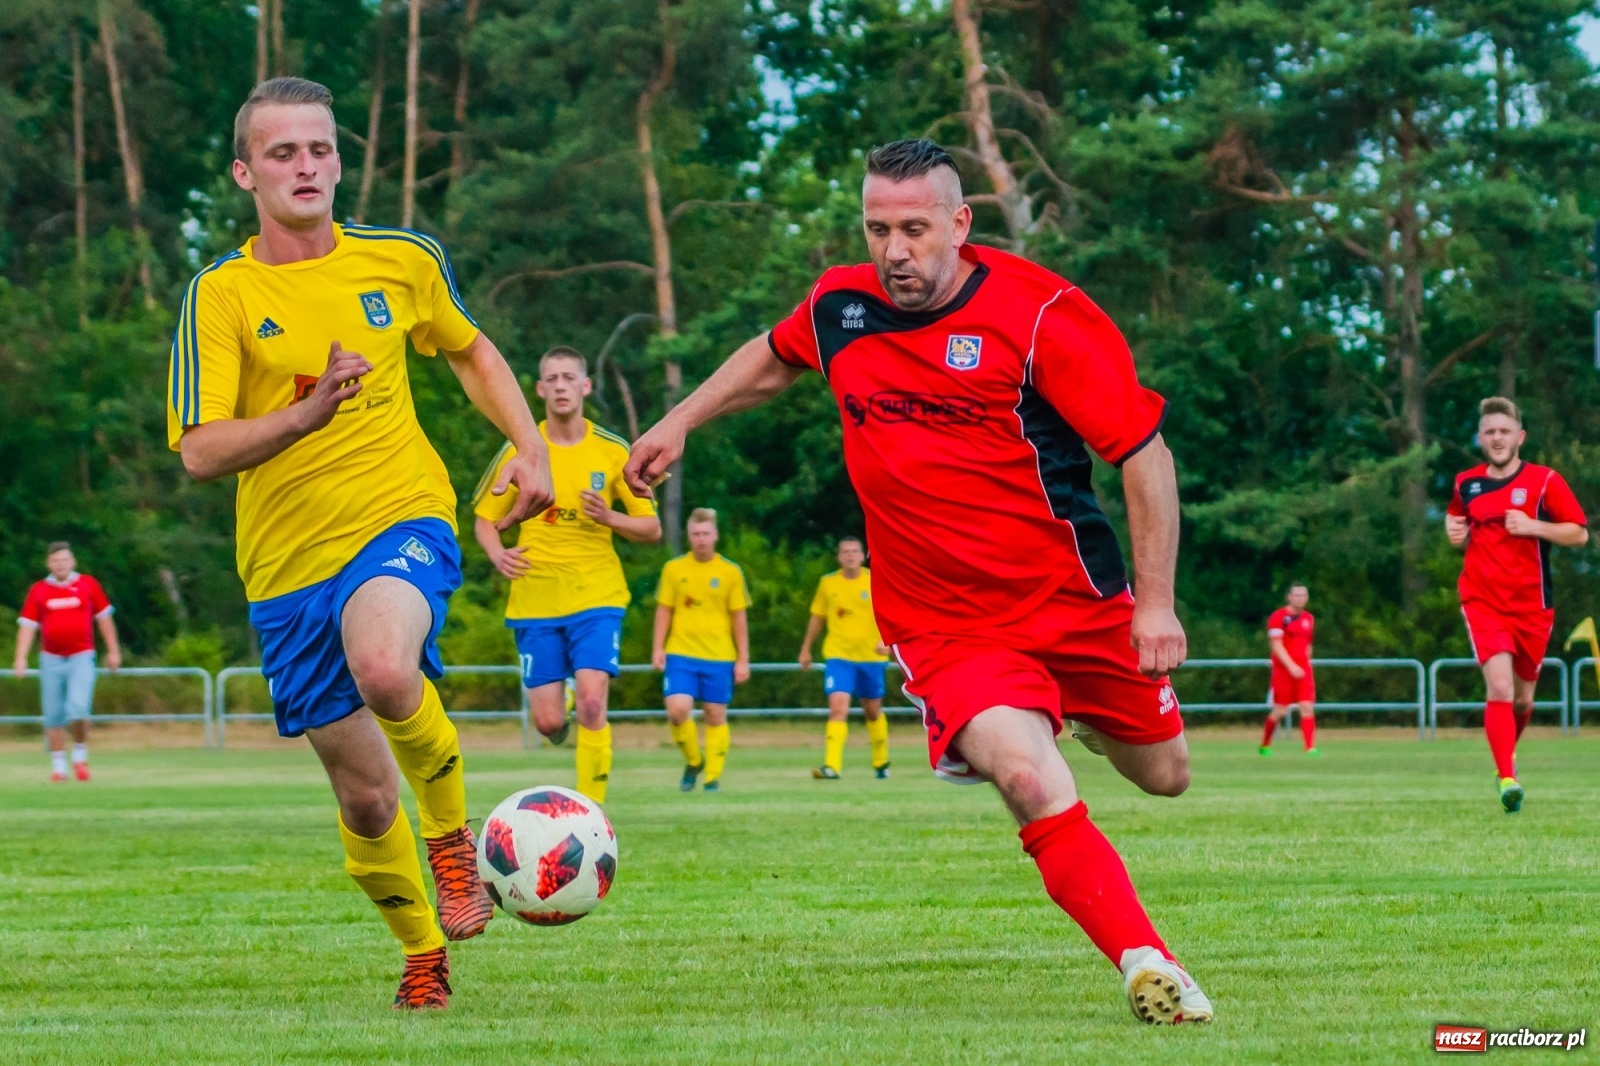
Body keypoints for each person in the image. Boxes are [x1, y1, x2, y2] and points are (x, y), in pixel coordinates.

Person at [625, 139, 1213, 1023]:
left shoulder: (1042, 312)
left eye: (913, 228)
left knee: (1166, 774)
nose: (893, 250)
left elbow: (1143, 454)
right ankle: (1146, 961)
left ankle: (1077, 710)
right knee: (1026, 778)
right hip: (945, 624)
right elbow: (775, 354)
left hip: (1072, 601)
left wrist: (1157, 603)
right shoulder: (842, 305)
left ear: (960, 223)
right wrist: (681, 420)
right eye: (876, 229)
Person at [166, 77, 554, 1010]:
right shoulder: (219, 295)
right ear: (244, 173)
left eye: (321, 149)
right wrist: (303, 415)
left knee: (385, 668)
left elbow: (467, 347)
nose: (307, 166)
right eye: (284, 153)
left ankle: (454, 841)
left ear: (340, 158)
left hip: (399, 515)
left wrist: (530, 443)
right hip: (285, 567)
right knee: (367, 801)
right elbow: (199, 451)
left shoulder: (402, 259)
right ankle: (423, 950)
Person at [473, 347, 661, 804]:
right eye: (551, 378)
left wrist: (610, 519)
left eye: (568, 377)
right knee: (549, 724)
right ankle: (568, 707)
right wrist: (498, 554)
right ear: (539, 390)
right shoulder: (523, 450)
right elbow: (484, 520)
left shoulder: (613, 451)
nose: (560, 385)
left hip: (596, 594)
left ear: (585, 386)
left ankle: (592, 809)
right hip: (535, 598)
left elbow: (651, 528)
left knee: (595, 702)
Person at [1446, 396, 1587, 814]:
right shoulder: (1466, 482)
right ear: (1480, 438)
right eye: (1489, 431)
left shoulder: (1545, 481)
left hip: (1532, 606)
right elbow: (1456, 519)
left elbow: (1578, 533)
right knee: (1501, 688)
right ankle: (1507, 776)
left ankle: (1504, 762)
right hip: (1482, 601)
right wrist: (1453, 531)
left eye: (1504, 431)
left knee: (1523, 701)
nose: (1497, 438)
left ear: (1520, 437)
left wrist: (1533, 526)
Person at [652, 508, 750, 792]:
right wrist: (658, 647)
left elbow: (738, 618)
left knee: (715, 714)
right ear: (689, 536)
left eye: (706, 533)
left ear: (715, 535)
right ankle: (694, 760)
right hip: (681, 653)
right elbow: (664, 611)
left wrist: (743, 658)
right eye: (696, 534)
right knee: (677, 710)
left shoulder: (730, 572)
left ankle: (712, 779)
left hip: (719, 655)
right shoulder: (674, 569)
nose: (701, 539)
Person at [13, 542, 122, 781]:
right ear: (48, 563)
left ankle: (80, 757)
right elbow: (28, 626)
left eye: (64, 560)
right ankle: (59, 766)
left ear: (72, 562)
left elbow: (104, 619)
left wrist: (113, 651)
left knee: (78, 707)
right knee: (53, 714)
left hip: (81, 655)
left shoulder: (87, 585)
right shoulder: (39, 590)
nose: (60, 564)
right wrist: (20, 657)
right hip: (51, 658)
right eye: (55, 560)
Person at [799, 536, 891, 779]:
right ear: (839, 557)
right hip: (839, 657)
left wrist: (889, 641)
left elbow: (893, 614)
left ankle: (881, 762)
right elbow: (817, 617)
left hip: (871, 657)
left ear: (863, 556)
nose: (850, 555)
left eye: (855, 551)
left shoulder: (875, 581)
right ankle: (832, 766)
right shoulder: (828, 584)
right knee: (838, 708)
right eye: (845, 551)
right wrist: (806, 647)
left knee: (872, 711)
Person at [1260, 583, 1317, 756]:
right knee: (1280, 710)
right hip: (1284, 670)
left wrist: (1306, 664)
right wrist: (1291, 666)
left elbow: (1308, 645)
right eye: (1296, 595)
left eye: (1303, 595)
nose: (1300, 598)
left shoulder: (1309, 618)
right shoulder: (1278, 617)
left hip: (1303, 669)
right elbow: (1276, 645)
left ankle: (1309, 748)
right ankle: (1265, 745)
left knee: (1307, 706)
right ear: (1289, 597)